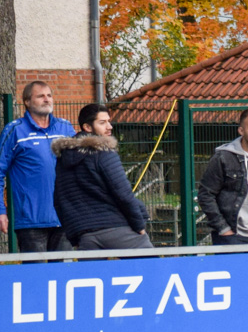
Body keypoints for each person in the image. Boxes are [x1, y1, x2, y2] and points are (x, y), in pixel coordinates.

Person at [50, 102, 151, 251]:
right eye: (102, 123)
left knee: (95, 267)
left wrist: (74, 237)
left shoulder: (62, 159)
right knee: (152, 263)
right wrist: (139, 226)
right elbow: (123, 194)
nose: (109, 127)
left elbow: (59, 201)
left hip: (84, 235)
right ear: (87, 127)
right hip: (116, 227)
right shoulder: (103, 152)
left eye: (109, 121)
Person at [0, 80, 76, 251]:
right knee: (35, 268)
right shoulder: (15, 130)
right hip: (31, 221)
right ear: (27, 101)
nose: (47, 99)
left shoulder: (65, 128)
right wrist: (1, 211)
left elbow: (80, 167)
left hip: (65, 218)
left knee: (64, 268)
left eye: (49, 95)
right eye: (41, 96)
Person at [198, 106, 248, 245]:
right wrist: (223, 228)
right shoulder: (223, 158)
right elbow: (205, 194)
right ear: (241, 130)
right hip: (230, 237)